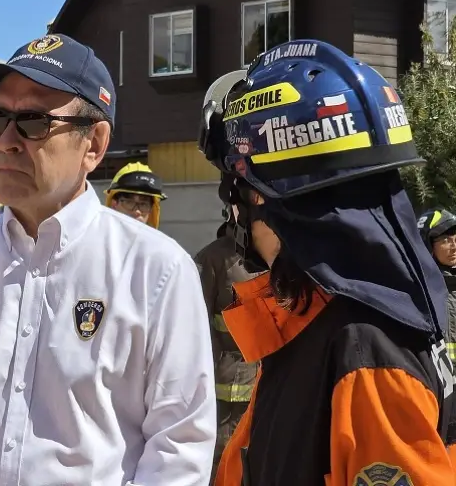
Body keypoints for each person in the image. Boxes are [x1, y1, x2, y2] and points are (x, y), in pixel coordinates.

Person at [0, 33, 216, 485]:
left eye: (33, 122)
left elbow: (179, 448)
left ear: (93, 144)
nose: (6, 141)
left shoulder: (158, 271)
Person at [198, 39, 456, 485]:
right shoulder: (335, 318)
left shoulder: (364, 351)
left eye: (235, 192)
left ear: (266, 199)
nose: (233, 213)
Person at [192, 199, 258, 485]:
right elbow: (193, 332)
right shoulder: (212, 260)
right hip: (225, 404)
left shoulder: (284, 254)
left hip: (270, 391)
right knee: (224, 465)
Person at [418, 207, 456, 360]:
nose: (454, 246)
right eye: (446, 240)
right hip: (440, 380)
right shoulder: (421, 292)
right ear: (428, 246)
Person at [105, 161, 167, 227]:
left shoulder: (156, 237)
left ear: (151, 210)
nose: (137, 211)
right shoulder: (96, 236)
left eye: (143, 204)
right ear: (114, 205)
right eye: (129, 202)